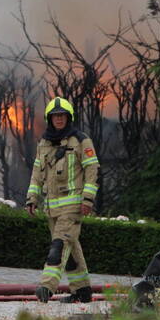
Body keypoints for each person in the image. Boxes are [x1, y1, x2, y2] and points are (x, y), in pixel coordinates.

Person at [26, 96, 100, 303]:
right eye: (55, 116)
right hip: (52, 209)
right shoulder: (44, 143)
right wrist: (31, 198)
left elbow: (92, 169)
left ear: (69, 117)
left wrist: (87, 199)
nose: (59, 119)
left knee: (58, 247)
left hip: (73, 206)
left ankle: (46, 287)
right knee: (71, 249)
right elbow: (36, 173)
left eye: (63, 115)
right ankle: (82, 292)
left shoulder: (80, 140)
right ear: (50, 119)